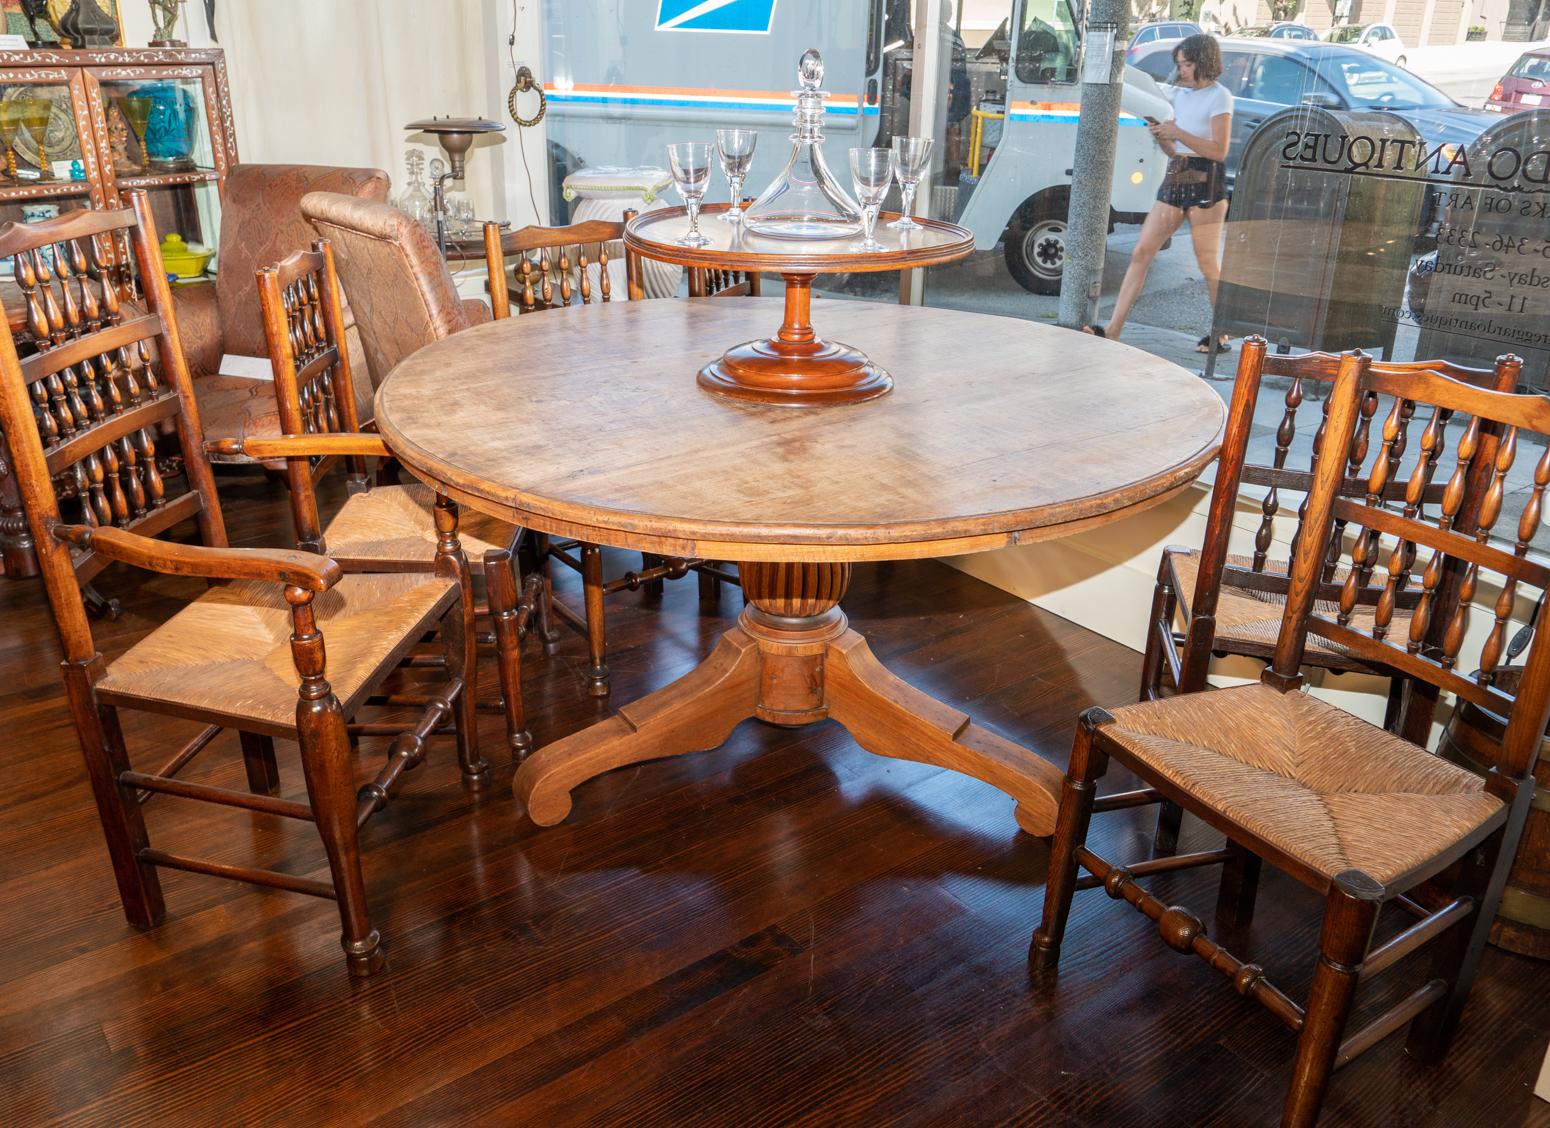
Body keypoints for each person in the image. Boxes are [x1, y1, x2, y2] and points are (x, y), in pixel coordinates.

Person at [1086, 34, 1233, 353]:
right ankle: (1112, 329)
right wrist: (1161, 134)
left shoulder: (1220, 97)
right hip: (1177, 173)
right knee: (1141, 252)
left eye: (1188, 64)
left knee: (1207, 262)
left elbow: (1219, 150)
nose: (1181, 71)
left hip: (1207, 180)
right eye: (1179, 64)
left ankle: (1220, 333)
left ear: (1204, 63)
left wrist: (1177, 132)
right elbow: (1172, 149)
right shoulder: (1176, 95)